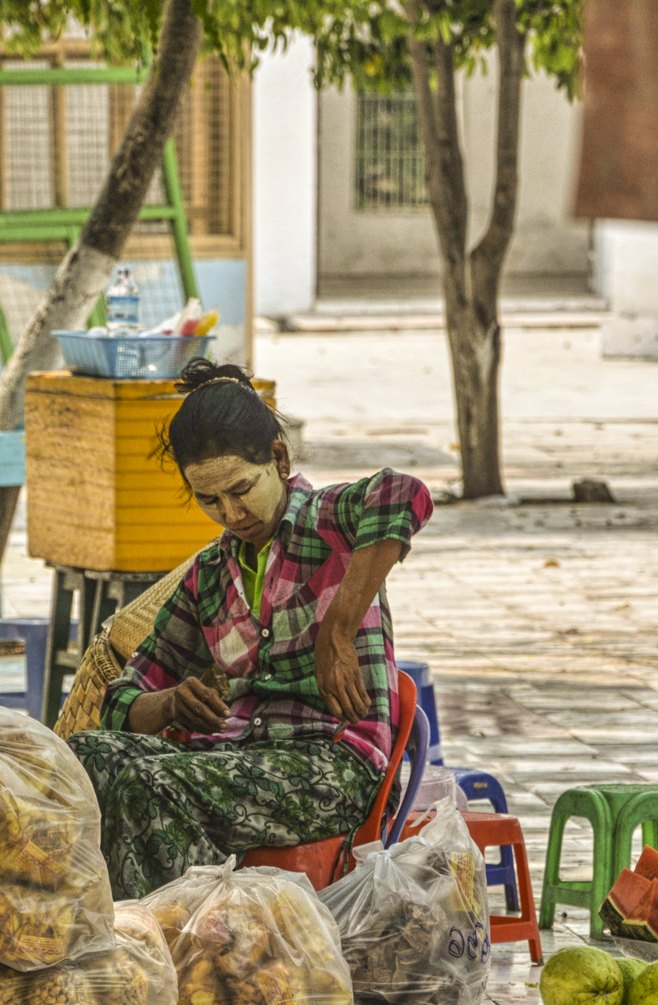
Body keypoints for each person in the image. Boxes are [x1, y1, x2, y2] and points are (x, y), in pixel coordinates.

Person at [68, 358, 434, 897]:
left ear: (278, 459)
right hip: (240, 757)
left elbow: (404, 492)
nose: (230, 512)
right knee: (86, 757)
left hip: (334, 765)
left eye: (241, 489)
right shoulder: (209, 577)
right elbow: (121, 699)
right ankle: (151, 934)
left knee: (154, 785)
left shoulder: (328, 520)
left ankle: (199, 941)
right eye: (209, 499)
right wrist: (168, 705)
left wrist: (338, 628)